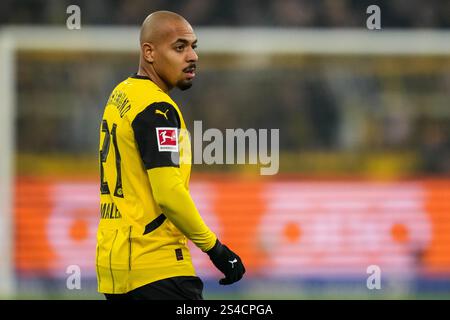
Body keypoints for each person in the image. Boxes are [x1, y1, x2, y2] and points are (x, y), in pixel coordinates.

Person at [96, 10, 245, 300]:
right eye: (179, 47)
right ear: (149, 52)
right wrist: (215, 249)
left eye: (193, 46)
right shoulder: (157, 110)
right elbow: (168, 193)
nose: (192, 56)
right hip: (157, 268)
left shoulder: (121, 94)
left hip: (115, 268)